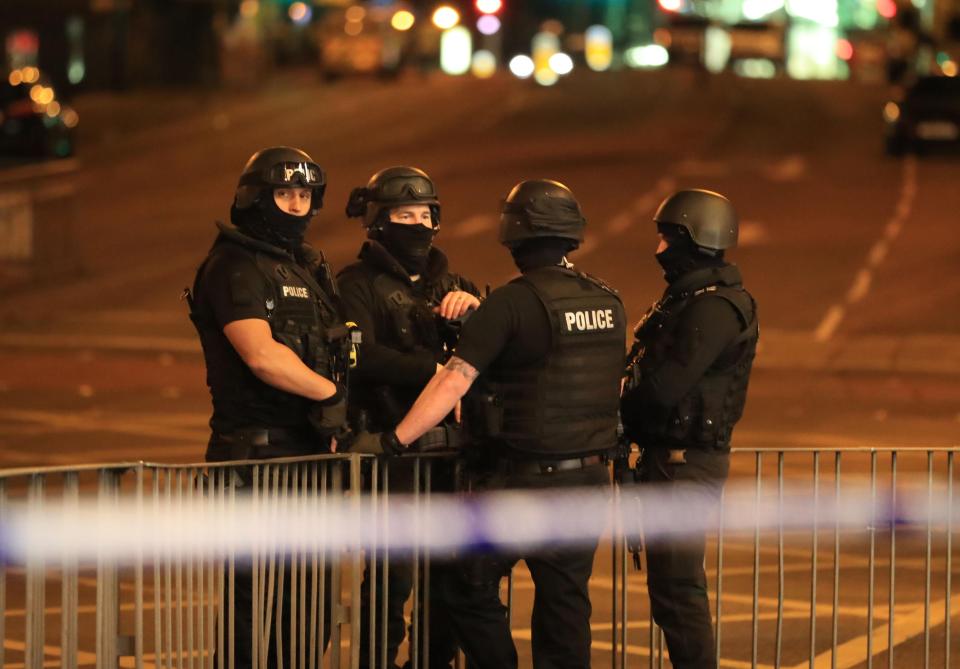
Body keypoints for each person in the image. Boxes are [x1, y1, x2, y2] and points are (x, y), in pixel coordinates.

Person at [356, 179, 627, 669]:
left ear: (513, 236)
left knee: (463, 584)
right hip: (588, 482)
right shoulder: (607, 302)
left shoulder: (511, 302)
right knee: (566, 608)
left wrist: (394, 440)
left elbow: (452, 383)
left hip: (523, 483)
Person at [187, 146, 349, 667]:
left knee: (313, 607)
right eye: (285, 193)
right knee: (255, 610)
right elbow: (260, 355)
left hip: (306, 457)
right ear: (256, 199)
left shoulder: (304, 267)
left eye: (304, 195)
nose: (296, 205)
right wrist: (331, 395)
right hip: (255, 459)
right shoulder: (233, 266)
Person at [338, 165, 480, 668]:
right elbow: (359, 357)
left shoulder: (453, 282)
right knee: (390, 580)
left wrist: (476, 313)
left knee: (447, 581)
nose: (418, 225)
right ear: (379, 221)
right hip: (392, 453)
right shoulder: (355, 284)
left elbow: (490, 356)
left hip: (450, 457)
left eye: (426, 214)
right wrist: (433, 369)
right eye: (405, 214)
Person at [620, 189, 758, 669]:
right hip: (672, 462)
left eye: (666, 238)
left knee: (679, 592)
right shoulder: (690, 299)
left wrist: (619, 407)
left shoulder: (714, 307)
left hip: (686, 465)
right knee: (670, 592)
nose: (659, 250)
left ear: (692, 239)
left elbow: (665, 386)